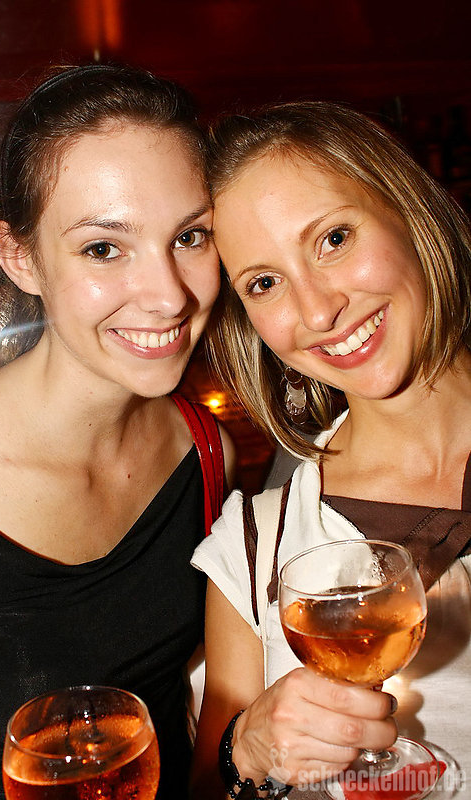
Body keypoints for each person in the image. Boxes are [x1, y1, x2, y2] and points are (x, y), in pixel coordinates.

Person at [0, 63, 235, 799]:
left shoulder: (206, 451)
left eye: (191, 236)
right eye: (104, 247)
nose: (168, 296)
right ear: (20, 257)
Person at [191, 101, 471, 799]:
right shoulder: (254, 546)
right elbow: (213, 787)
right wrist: (245, 750)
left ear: (408, 210)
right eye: (264, 283)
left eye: (334, 238)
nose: (318, 311)